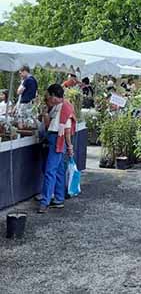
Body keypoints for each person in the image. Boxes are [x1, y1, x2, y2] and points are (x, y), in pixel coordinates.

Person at [38, 84, 76, 213]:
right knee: (59, 170)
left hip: (58, 140)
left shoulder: (65, 107)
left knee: (50, 170)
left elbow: (67, 129)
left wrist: (69, 146)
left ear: (54, 96)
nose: (47, 97)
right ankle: (59, 199)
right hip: (56, 139)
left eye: (49, 95)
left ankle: (45, 202)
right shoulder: (57, 107)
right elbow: (50, 125)